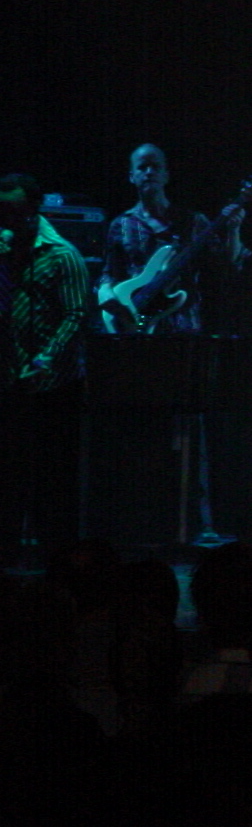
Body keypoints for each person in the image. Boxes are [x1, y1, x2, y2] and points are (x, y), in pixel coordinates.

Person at [0, 173, 90, 562]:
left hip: (54, 387)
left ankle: (58, 561)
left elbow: (76, 314)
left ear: (33, 209)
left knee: (53, 480)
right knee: (10, 476)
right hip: (10, 381)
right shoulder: (4, 250)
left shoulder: (62, 256)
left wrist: (45, 359)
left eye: (14, 211)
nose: (6, 219)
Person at [98, 143, 248, 334]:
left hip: (182, 324)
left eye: (155, 167)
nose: (149, 172)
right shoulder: (121, 224)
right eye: (142, 167)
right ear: (132, 176)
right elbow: (110, 272)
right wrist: (105, 293)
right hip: (133, 325)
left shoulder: (193, 222)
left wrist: (234, 230)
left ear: (166, 175)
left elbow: (226, 265)